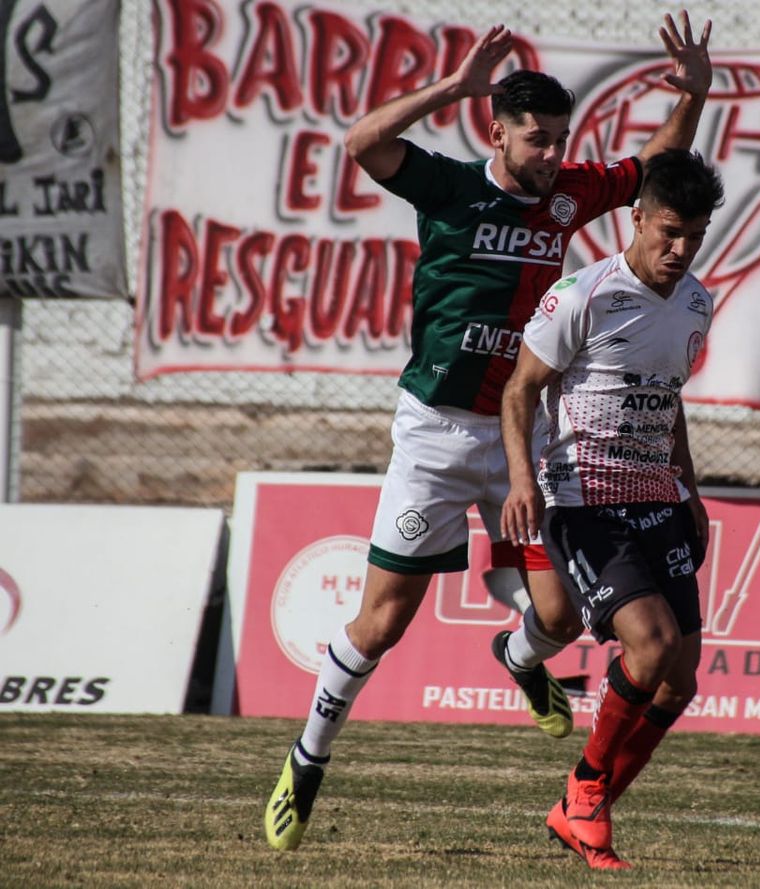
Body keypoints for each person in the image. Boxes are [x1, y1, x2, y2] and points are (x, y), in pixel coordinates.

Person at [264, 15, 713, 852]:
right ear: (496, 131)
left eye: (560, 141)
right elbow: (361, 142)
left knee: (565, 610)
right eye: (535, 140)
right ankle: (306, 757)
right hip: (436, 433)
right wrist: (450, 85)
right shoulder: (447, 187)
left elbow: (654, 173)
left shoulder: (570, 192)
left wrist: (690, 94)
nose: (549, 156)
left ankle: (516, 655)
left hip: (523, 432)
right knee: (384, 622)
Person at [499, 148, 725, 870]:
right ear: (636, 218)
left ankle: (578, 810)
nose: (681, 249)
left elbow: (667, 400)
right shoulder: (583, 295)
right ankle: (587, 787)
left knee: (681, 676)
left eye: (695, 234)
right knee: (650, 644)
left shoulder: (697, 303)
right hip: (582, 498)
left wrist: (687, 485)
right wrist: (520, 480)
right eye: (668, 231)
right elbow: (519, 390)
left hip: (657, 498)